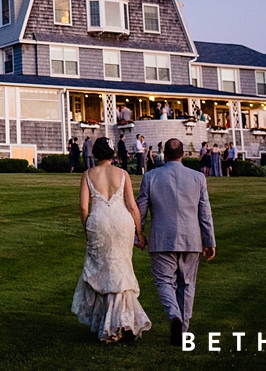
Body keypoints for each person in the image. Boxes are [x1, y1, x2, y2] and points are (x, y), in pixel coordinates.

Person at [135, 138, 216, 347]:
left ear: (164, 154)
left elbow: (140, 209)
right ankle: (183, 328)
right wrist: (209, 241)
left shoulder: (151, 177)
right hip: (191, 239)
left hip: (162, 238)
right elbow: (205, 214)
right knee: (187, 285)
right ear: (182, 154)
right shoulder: (198, 177)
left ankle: (174, 317)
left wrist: (138, 234)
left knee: (164, 282)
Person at [71, 137, 152, 343]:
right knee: (121, 267)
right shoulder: (122, 174)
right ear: (112, 154)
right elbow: (132, 206)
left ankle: (111, 323)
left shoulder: (88, 174)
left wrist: (86, 227)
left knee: (103, 269)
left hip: (98, 221)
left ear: (95, 154)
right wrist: (140, 233)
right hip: (122, 221)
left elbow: (83, 207)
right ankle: (122, 321)